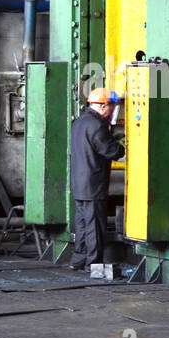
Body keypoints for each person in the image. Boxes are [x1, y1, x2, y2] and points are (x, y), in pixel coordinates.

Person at [68, 87, 124, 271]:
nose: (112, 111)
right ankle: (94, 263)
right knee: (94, 226)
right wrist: (122, 145)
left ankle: (78, 259)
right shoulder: (96, 125)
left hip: (80, 183)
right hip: (93, 184)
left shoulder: (79, 122)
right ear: (102, 106)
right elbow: (111, 151)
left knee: (82, 223)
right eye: (111, 107)